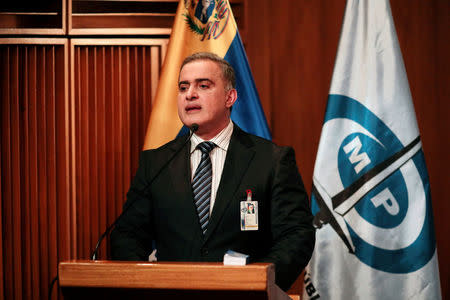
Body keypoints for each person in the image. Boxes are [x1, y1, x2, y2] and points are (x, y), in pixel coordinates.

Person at [110, 52, 315, 291]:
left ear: (230, 97)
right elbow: (127, 235)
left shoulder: (272, 160)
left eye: (203, 85)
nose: (190, 94)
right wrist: (146, 285)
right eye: (183, 87)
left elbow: (296, 236)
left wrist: (257, 284)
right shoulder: (155, 162)